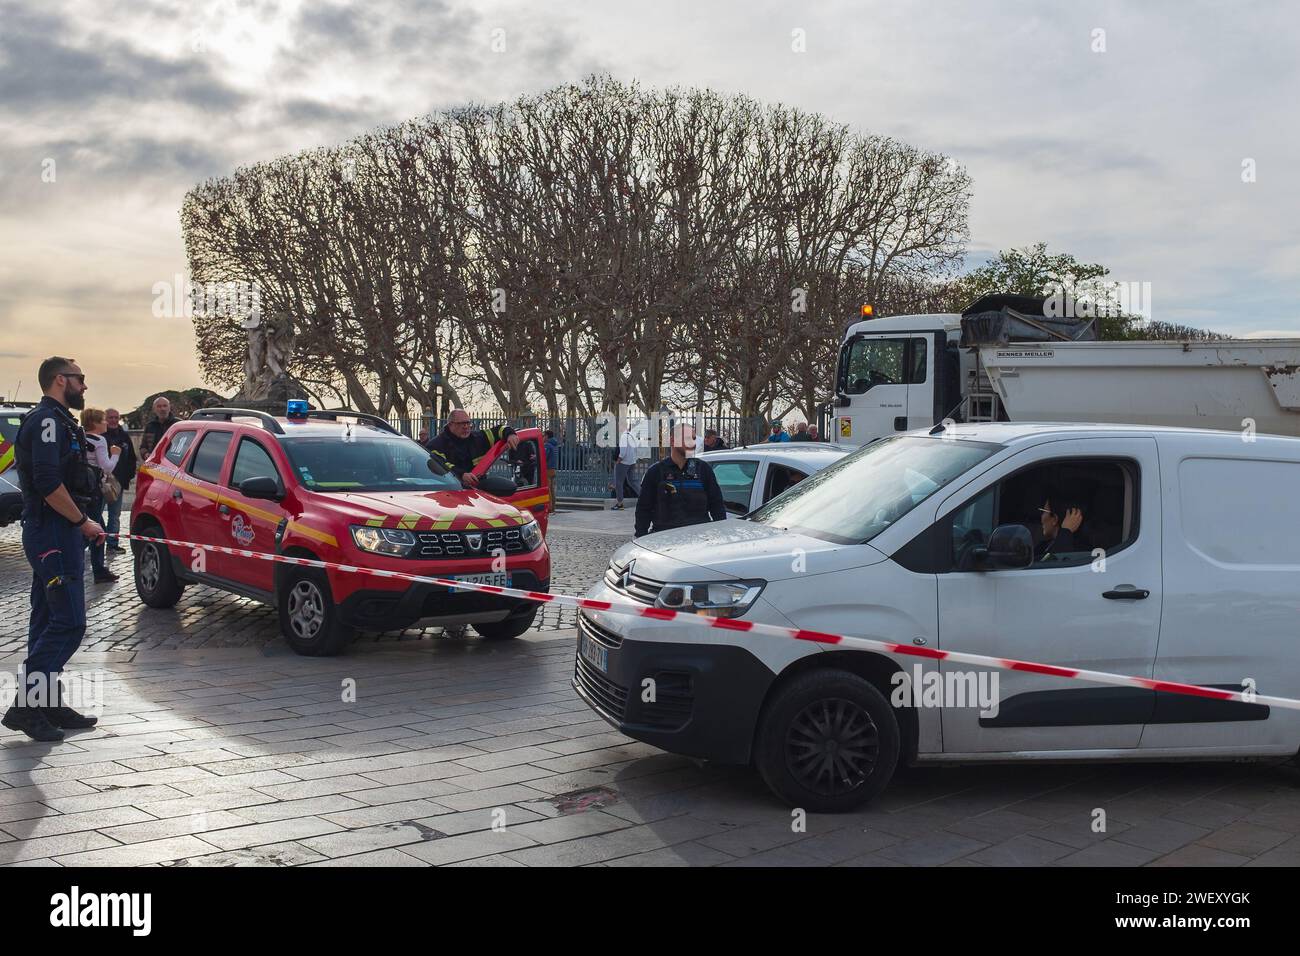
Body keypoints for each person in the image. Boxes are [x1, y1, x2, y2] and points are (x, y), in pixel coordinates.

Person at [3, 357, 103, 742]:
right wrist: (82, 521)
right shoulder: (46, 421)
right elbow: (46, 481)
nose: (84, 386)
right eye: (80, 378)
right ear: (61, 380)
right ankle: (27, 706)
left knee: (46, 619)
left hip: (57, 532)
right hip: (54, 533)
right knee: (69, 622)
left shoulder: (60, 420)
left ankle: (47, 703)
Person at [635, 424, 727, 537]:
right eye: (688, 439)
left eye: (694, 438)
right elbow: (643, 509)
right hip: (664, 540)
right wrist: (640, 536)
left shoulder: (703, 469)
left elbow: (717, 505)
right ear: (673, 441)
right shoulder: (655, 472)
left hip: (700, 541)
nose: (692, 443)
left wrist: (722, 534)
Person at [427, 409, 519, 487]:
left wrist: (510, 434)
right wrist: (461, 475)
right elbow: (441, 464)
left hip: (477, 491)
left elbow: (500, 429)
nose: (466, 427)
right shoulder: (436, 444)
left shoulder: (478, 438)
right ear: (451, 424)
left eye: (468, 423)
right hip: (449, 491)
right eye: (461, 424)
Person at [80, 408, 120, 583]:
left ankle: (99, 568)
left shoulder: (80, 437)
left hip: (82, 487)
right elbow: (107, 466)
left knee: (92, 526)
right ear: (95, 423)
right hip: (95, 488)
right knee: (97, 529)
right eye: (103, 420)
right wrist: (116, 455)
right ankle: (98, 569)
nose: (106, 423)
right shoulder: (100, 440)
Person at [102, 407, 137, 552]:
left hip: (119, 482)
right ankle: (97, 540)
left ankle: (112, 544)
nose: (114, 420)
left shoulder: (124, 437)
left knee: (115, 515)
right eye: (111, 417)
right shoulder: (101, 436)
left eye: (116, 417)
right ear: (105, 419)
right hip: (102, 481)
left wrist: (126, 477)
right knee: (96, 514)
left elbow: (132, 459)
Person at [611, 422, 641, 510]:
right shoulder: (632, 436)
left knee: (618, 483)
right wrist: (634, 460)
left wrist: (618, 460)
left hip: (623, 462)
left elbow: (623, 451)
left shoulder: (624, 437)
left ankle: (620, 503)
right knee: (633, 482)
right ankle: (645, 497)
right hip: (632, 462)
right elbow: (636, 449)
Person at [543, 430, 559, 512]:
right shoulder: (554, 445)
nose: (543, 437)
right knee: (552, 490)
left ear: (547, 436)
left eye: (544, 436)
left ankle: (549, 508)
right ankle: (553, 508)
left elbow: (544, 456)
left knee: (548, 489)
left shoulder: (547, 445)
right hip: (553, 469)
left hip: (548, 469)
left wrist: (535, 457)